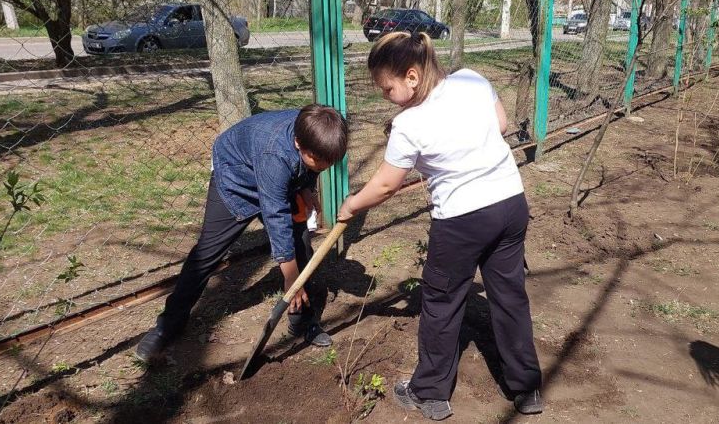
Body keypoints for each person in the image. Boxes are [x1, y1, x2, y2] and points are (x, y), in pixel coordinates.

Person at [336, 31, 542, 420]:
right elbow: (500, 124)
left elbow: (384, 185)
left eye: (387, 88)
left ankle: (429, 392)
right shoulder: (472, 79)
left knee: (442, 303)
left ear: (411, 77)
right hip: (511, 203)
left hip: (464, 220)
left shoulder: (409, 124)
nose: (385, 96)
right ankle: (526, 387)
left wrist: (351, 205)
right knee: (510, 295)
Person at [135, 105, 348, 362]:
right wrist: (291, 279)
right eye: (319, 162)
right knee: (206, 255)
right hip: (236, 176)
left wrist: (305, 187)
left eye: (330, 162)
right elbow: (275, 215)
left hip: (276, 175)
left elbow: (309, 167)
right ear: (297, 143)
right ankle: (167, 325)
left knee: (300, 246)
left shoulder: (314, 129)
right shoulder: (275, 154)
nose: (323, 167)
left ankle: (301, 320)